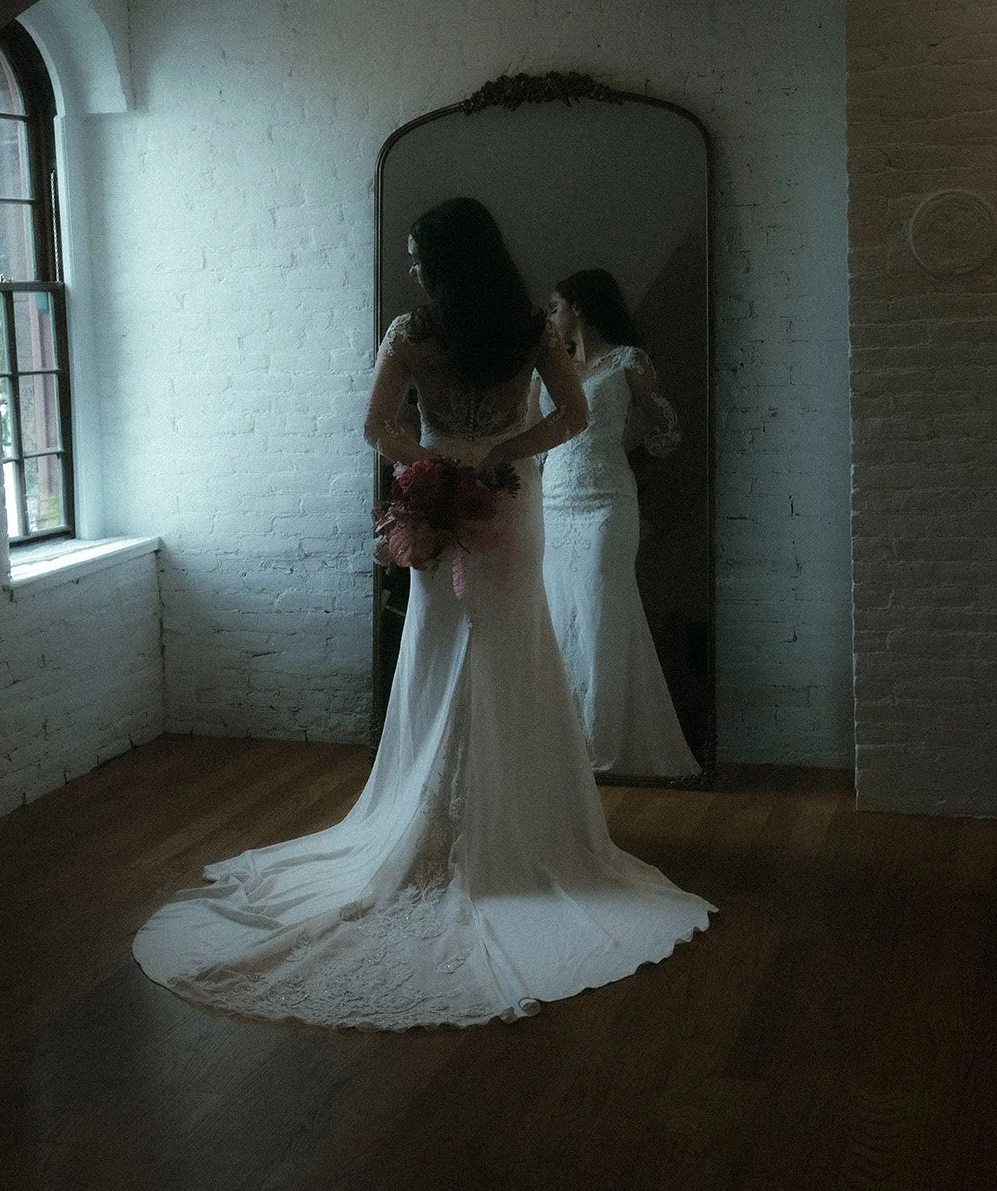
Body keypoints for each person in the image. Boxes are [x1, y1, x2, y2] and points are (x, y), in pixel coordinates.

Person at [133, 200, 712, 1029]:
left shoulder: (414, 331)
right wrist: (494, 455)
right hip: (508, 507)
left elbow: (375, 426)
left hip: (448, 500)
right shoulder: (523, 329)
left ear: (447, 263)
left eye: (417, 257)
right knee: (500, 644)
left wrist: (436, 459)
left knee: (450, 643)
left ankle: (461, 815)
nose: (410, 271)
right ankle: (507, 822)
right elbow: (572, 417)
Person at [542, 268, 700, 781]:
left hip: (606, 503)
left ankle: (601, 744)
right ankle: (559, 739)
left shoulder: (629, 362)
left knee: (599, 613)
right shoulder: (551, 367)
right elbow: (533, 433)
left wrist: (622, 438)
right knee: (557, 611)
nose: (552, 316)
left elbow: (665, 432)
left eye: (555, 306)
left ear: (579, 308)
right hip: (553, 502)